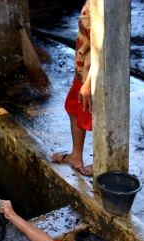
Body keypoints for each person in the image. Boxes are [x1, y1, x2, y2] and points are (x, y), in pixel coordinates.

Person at [51, 0, 94, 177]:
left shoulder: (104, 4)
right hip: (83, 69)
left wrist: (90, 82)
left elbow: (103, 46)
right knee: (74, 108)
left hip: (93, 72)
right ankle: (76, 155)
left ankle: (104, 162)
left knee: (97, 115)